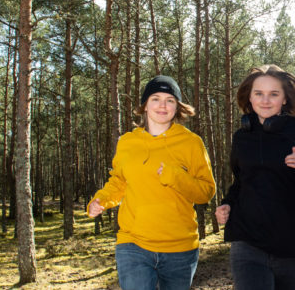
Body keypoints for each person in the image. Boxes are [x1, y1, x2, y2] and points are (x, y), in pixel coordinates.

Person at [88, 75, 216, 290]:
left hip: (180, 247)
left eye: (170, 100)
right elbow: (119, 181)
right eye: (155, 98)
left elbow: (206, 192)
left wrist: (176, 176)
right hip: (133, 243)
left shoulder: (192, 143)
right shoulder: (128, 142)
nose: (162, 105)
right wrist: (101, 199)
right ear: (145, 105)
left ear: (178, 107)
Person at [215, 64, 295, 290]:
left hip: (292, 247)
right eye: (258, 94)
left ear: (284, 99)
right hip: (247, 243)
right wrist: (227, 204)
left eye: (273, 94)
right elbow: (241, 182)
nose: (265, 100)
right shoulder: (242, 137)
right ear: (249, 98)